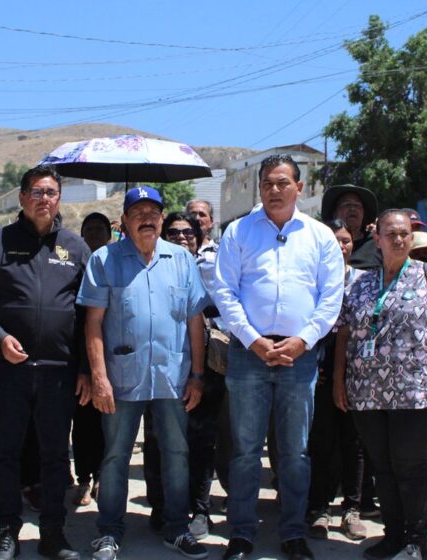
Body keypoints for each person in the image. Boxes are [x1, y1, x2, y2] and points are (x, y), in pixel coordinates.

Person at [213, 155, 345, 560]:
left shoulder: (320, 236)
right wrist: (253, 339)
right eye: (268, 183)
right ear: (259, 188)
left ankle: (292, 532)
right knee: (245, 450)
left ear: (300, 188)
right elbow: (224, 291)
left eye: (283, 183)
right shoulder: (239, 232)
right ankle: (241, 533)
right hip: (248, 354)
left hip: (298, 357)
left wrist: (303, 341)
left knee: (295, 452)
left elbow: (331, 298)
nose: (275, 190)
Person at [334, 210, 427, 560]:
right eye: (391, 234)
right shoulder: (361, 283)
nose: (399, 240)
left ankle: (417, 541)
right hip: (367, 392)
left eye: (404, 234)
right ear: (378, 239)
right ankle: (393, 535)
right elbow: (343, 331)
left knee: (411, 466)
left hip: (415, 390)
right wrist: (339, 379)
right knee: (382, 466)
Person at [81, 189, 211, 560]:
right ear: (123, 222)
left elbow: (195, 321)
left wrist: (198, 375)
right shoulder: (104, 260)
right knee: (115, 456)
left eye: (153, 211)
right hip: (121, 378)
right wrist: (99, 376)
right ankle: (108, 531)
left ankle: (177, 528)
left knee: (176, 453)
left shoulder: (182, 260)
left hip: (173, 376)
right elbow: (93, 323)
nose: (147, 217)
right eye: (137, 211)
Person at [0, 165, 91, 560]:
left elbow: (90, 313)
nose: (45, 199)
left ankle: (53, 534)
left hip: (59, 373)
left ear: (60, 199)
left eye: (52, 192)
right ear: (22, 198)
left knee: (56, 456)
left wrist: (87, 369)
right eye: (37, 192)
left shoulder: (75, 248)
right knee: (5, 452)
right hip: (8, 371)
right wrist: (0, 338)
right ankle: (8, 532)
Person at [141, 212, 226, 540]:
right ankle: (160, 505)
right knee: (157, 439)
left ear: (199, 235)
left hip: (206, 366)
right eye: (173, 232)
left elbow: (226, 308)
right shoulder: (150, 266)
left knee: (203, 441)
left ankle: (200, 509)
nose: (181, 238)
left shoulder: (213, 268)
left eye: (188, 232)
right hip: (161, 367)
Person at [305, 219, 368, 542]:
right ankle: (319, 508)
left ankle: (352, 508)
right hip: (317, 363)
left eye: (345, 240)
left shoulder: (365, 280)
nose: (340, 245)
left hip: (357, 363)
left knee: (353, 441)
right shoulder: (311, 278)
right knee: (321, 439)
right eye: (334, 239)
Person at [73, 212, 113, 507]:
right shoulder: (75, 266)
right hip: (81, 357)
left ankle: (104, 476)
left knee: (110, 423)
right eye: (90, 229)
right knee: (84, 422)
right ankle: (84, 478)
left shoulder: (117, 262)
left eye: (101, 229)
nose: (95, 234)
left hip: (115, 357)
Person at [320, 184, 379, 270]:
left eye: (357, 205)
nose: (352, 209)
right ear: (334, 212)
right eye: (347, 205)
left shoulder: (378, 244)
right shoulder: (323, 243)